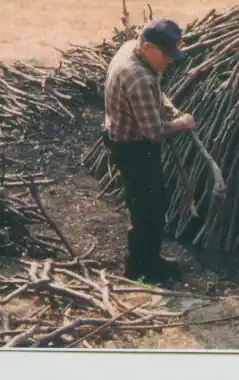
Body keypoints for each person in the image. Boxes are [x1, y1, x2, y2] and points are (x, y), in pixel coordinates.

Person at [103, 18, 197, 284]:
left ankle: (149, 260)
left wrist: (167, 108)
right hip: (133, 148)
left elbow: (153, 95)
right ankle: (139, 270)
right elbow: (154, 131)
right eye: (165, 55)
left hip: (124, 138)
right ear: (147, 46)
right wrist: (182, 123)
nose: (168, 61)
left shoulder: (131, 50)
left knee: (148, 205)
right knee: (148, 209)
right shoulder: (137, 76)